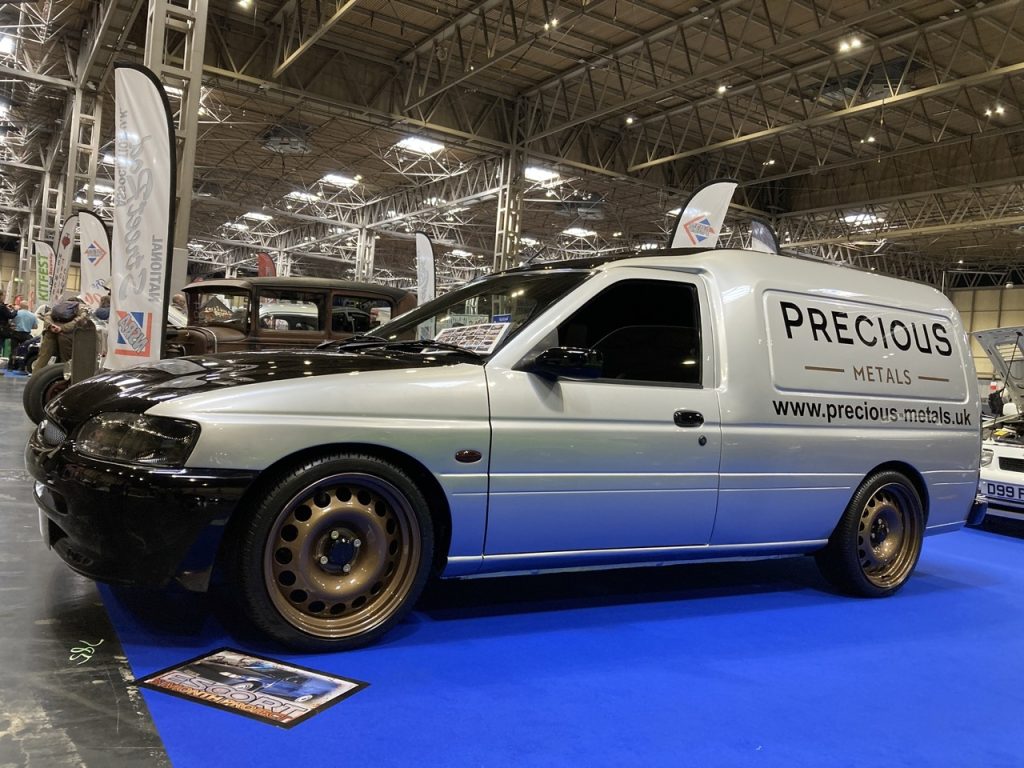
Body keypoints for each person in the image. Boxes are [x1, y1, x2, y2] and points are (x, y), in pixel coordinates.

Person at [33, 295, 90, 374]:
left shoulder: (58, 306)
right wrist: (62, 328)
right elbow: (80, 320)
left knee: (42, 360)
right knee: (66, 362)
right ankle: (64, 381)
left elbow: (47, 316)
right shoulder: (81, 307)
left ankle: (34, 381)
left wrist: (51, 326)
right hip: (67, 336)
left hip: (50, 333)